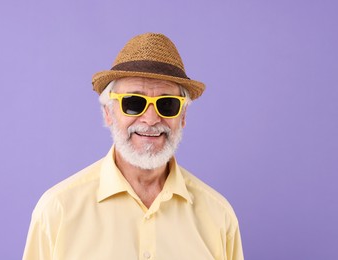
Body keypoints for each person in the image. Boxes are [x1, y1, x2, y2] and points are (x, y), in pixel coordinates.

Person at [23, 32, 244, 260]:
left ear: (183, 116)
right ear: (108, 112)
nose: (150, 119)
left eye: (167, 104)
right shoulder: (57, 212)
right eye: (133, 103)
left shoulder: (219, 218)